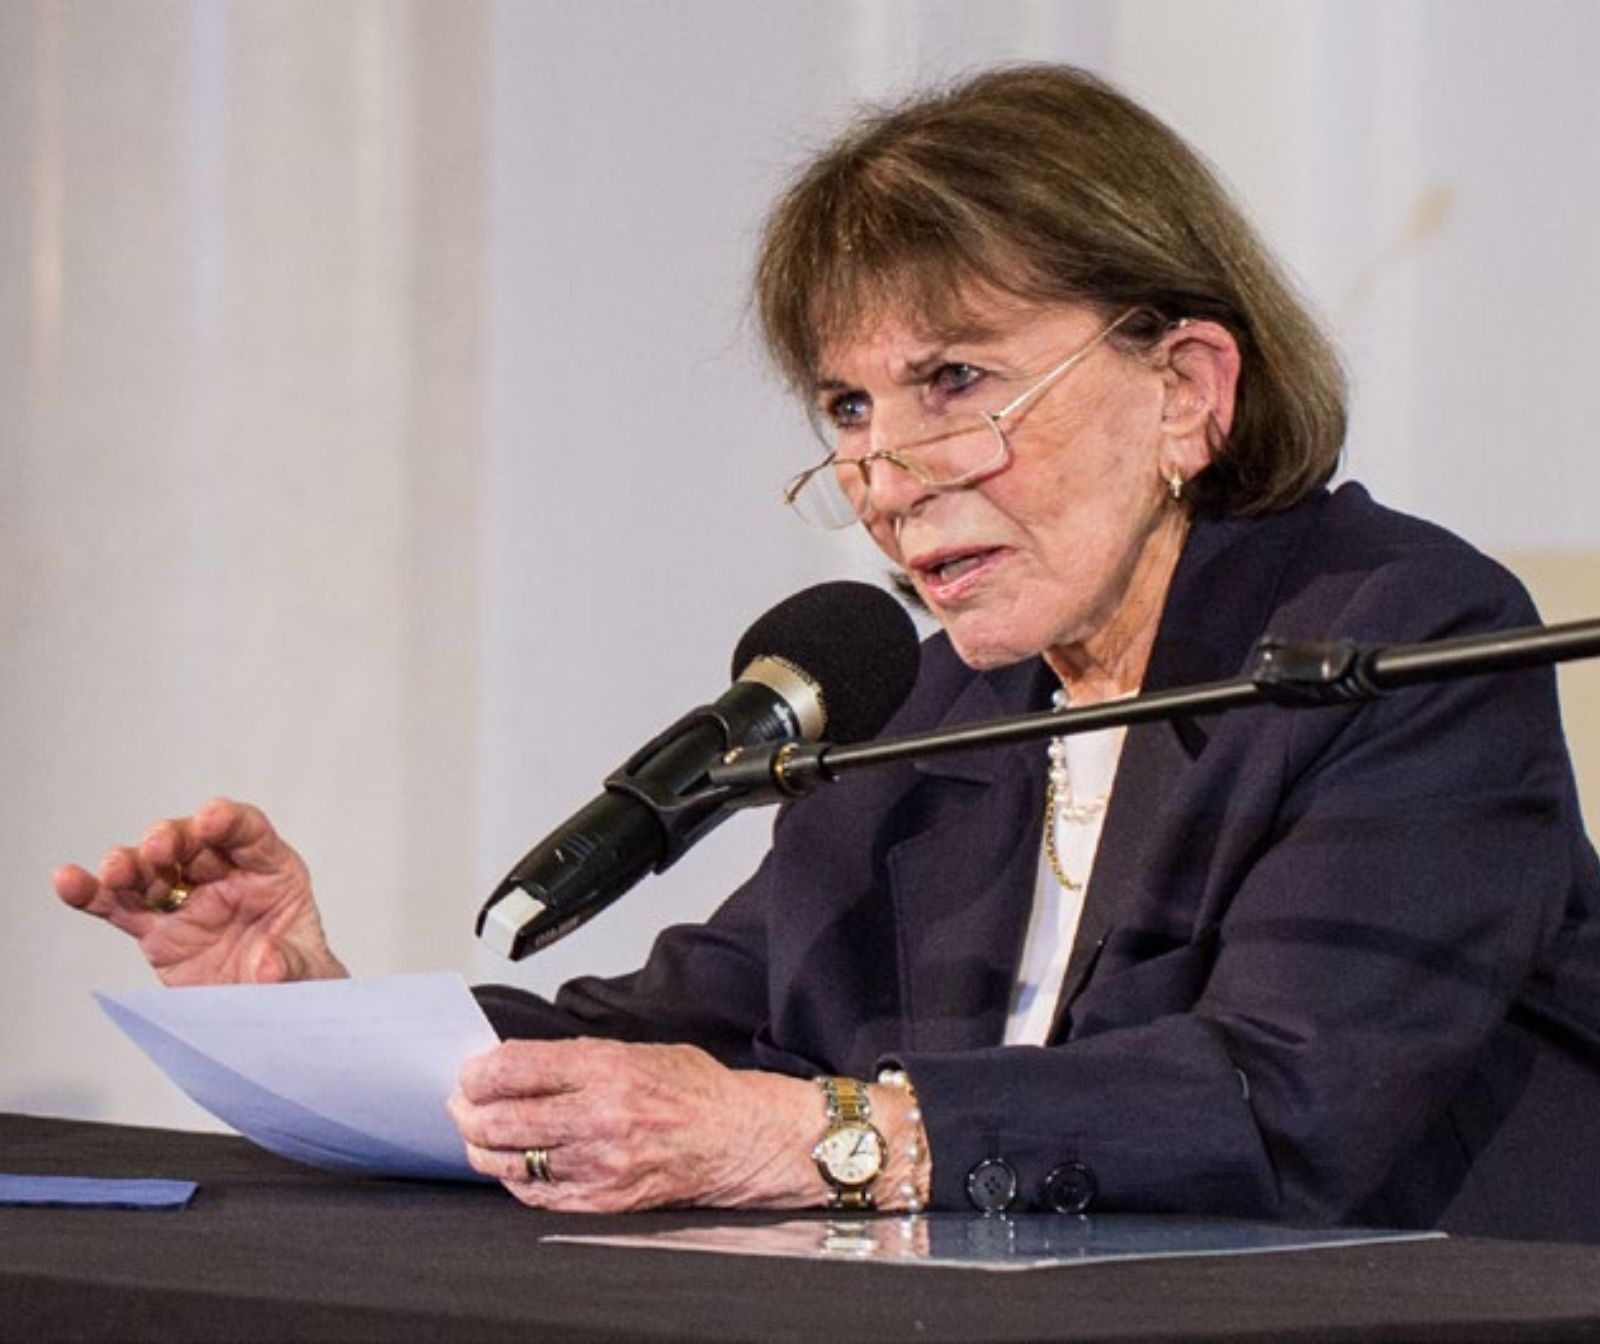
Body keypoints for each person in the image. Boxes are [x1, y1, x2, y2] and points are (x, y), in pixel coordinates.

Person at [54, 64, 1600, 1239]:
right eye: (849, 408)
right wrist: (307, 1012)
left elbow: (1291, 1098)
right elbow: (702, 1027)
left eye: (954, 379)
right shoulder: (944, 705)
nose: (886, 474)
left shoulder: (1395, 640)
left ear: (1188, 388)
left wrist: (811, 1139)